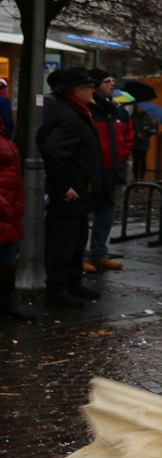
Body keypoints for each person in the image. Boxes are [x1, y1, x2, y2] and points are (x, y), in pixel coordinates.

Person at [37, 67, 105, 309]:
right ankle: (58, 290)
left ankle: (72, 285)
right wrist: (65, 185)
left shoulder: (74, 111)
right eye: (88, 87)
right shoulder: (68, 114)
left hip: (78, 190)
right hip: (70, 193)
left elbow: (44, 139)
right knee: (63, 244)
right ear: (76, 90)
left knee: (76, 241)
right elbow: (53, 151)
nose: (93, 90)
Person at [84, 69, 132, 272]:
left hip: (113, 171)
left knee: (106, 216)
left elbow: (128, 137)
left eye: (113, 80)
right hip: (91, 172)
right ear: (95, 85)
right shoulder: (87, 109)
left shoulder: (118, 111)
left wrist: (121, 160)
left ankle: (99, 253)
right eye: (107, 80)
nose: (112, 84)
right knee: (83, 217)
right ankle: (80, 256)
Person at [0, 113, 33, 321]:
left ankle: (7, 302)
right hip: (5, 207)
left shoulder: (5, 135)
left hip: (10, 209)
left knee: (7, 257)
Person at [129, 104, 157, 181]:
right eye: (138, 107)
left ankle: (142, 178)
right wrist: (136, 134)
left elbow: (152, 128)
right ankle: (135, 178)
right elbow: (130, 128)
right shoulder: (132, 117)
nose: (139, 108)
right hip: (135, 142)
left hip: (144, 141)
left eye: (141, 107)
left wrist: (149, 131)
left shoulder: (147, 117)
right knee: (135, 161)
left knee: (143, 161)